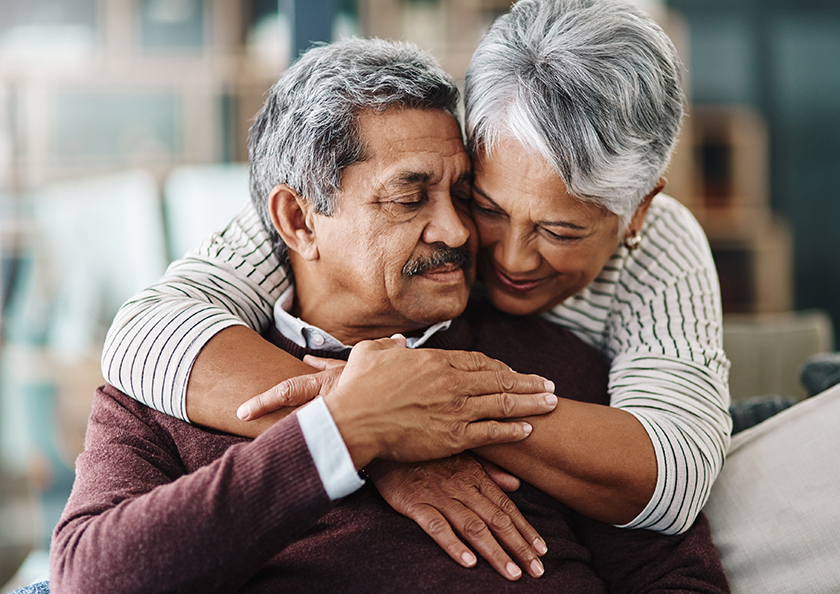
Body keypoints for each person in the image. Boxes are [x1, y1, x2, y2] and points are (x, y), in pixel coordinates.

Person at [52, 38, 730, 592]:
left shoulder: (559, 368)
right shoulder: (175, 382)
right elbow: (91, 577)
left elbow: (678, 573)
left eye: (465, 195)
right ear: (297, 219)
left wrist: (434, 407)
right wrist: (345, 432)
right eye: (410, 199)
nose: (462, 234)